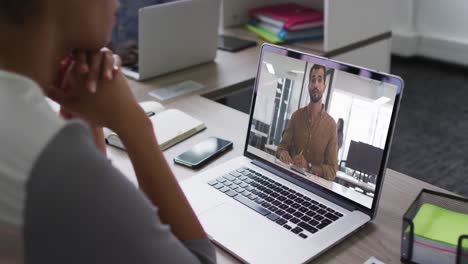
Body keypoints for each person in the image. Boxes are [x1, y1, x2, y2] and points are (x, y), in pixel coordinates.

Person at [0, 1, 215, 263]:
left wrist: (82, 113)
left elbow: (89, 229)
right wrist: (134, 124)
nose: (118, 2)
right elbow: (197, 259)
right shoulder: (48, 156)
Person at [276, 65, 338, 181]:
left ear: (324, 87)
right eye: (313, 80)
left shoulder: (331, 126)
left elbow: (332, 171)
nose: (316, 84)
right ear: (309, 86)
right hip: (291, 179)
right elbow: (281, 148)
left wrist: (309, 167)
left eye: (320, 80)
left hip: (314, 189)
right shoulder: (296, 116)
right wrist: (282, 153)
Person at [109, 0, 174, 65]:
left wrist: (144, 49)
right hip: (107, 60)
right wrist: (112, 50)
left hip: (146, 61)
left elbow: (175, 23)